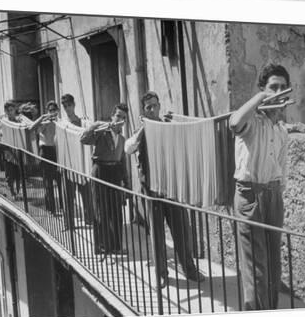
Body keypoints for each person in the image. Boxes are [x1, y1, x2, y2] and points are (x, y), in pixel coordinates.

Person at [124, 91, 204, 288]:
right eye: (148, 107)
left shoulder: (169, 126)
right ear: (144, 110)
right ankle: (161, 274)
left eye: (154, 105)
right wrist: (144, 128)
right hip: (151, 191)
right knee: (157, 234)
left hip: (171, 189)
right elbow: (128, 148)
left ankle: (189, 269)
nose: (152, 110)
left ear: (159, 105)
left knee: (182, 231)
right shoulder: (139, 131)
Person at [228, 63, 291, 311]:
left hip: (273, 196)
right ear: (263, 90)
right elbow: (234, 123)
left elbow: (281, 168)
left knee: (273, 266)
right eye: (273, 87)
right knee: (257, 270)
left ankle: (271, 315)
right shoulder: (252, 121)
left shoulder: (282, 129)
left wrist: (277, 195)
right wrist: (260, 98)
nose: (279, 91)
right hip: (250, 196)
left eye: (283, 87)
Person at [80, 103, 129, 255]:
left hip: (115, 173)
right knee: (101, 209)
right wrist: (101, 126)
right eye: (118, 116)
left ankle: (116, 246)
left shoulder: (122, 138)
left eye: (123, 118)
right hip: (100, 170)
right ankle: (101, 246)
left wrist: (126, 184)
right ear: (112, 116)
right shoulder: (102, 131)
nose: (120, 120)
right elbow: (84, 138)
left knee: (116, 210)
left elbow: (122, 162)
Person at [60, 94, 93, 229]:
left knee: (86, 193)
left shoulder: (83, 123)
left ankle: (90, 219)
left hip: (82, 164)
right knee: (68, 196)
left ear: (74, 105)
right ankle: (69, 223)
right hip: (68, 164)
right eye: (65, 106)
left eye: (69, 105)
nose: (67, 108)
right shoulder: (62, 124)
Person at [29, 100, 62, 214]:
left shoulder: (60, 122)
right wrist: (43, 119)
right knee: (48, 182)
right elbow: (33, 130)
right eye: (50, 110)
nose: (52, 113)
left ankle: (62, 207)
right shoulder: (45, 123)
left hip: (56, 152)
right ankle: (51, 209)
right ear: (48, 112)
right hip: (46, 151)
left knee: (60, 181)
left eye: (54, 110)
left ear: (58, 111)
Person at [1, 100, 22, 200]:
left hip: (18, 149)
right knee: (10, 174)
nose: (10, 112)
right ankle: (13, 193)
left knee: (19, 173)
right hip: (8, 151)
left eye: (11, 110)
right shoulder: (4, 122)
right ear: (5, 111)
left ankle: (18, 191)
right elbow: (1, 134)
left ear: (15, 110)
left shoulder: (19, 121)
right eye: (8, 110)